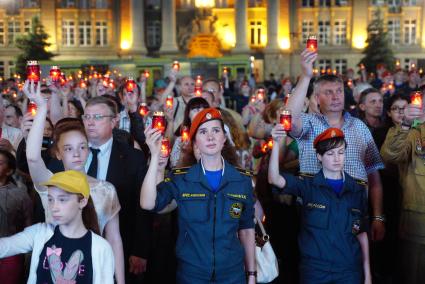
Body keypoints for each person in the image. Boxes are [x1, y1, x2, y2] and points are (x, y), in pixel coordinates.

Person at [24, 80, 125, 283]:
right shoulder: (51, 185)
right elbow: (33, 157)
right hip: (54, 265)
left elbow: (114, 238)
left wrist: (120, 280)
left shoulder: (106, 189)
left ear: (88, 149)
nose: (77, 154)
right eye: (69, 149)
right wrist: (41, 109)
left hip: (95, 267)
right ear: (59, 154)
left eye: (82, 147)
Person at [140, 108, 256, 283]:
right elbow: (148, 203)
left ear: (224, 139)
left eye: (216, 130)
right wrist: (155, 156)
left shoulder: (241, 180)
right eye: (203, 132)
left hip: (232, 275)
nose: (210, 137)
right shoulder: (181, 178)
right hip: (192, 274)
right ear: (195, 141)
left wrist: (252, 275)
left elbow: (247, 231)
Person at [286, 49, 385, 241]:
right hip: (315, 211)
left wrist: (378, 216)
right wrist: (306, 76)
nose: (335, 96)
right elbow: (288, 118)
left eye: (339, 91)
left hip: (354, 210)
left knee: (354, 262)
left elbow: (374, 176)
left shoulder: (360, 127)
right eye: (328, 92)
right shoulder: (308, 124)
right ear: (317, 98)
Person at [269, 126, 371, 284]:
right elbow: (274, 179)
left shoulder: (356, 189)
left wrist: (368, 275)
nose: (337, 158)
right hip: (315, 271)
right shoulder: (308, 186)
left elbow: (362, 234)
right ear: (319, 156)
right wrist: (276, 143)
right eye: (330, 154)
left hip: (349, 270)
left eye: (341, 152)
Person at [82, 96, 152, 283]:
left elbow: (142, 208)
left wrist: (140, 250)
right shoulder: (72, 153)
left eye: (97, 117)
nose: (90, 123)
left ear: (114, 121)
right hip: (79, 243)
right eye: (86, 117)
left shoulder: (133, 158)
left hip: (121, 242)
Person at [0, 170, 115, 284]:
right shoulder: (40, 233)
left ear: (82, 202)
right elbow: (5, 246)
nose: (54, 207)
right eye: (50, 199)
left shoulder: (101, 247)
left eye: (62, 200)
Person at [380, 95, 425, 284]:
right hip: (419, 221)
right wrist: (406, 125)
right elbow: (390, 156)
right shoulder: (412, 131)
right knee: (414, 274)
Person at [0, 149, 33, 284]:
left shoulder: (20, 195)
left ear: (9, 171)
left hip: (10, 256)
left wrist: (28, 258)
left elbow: (29, 225)